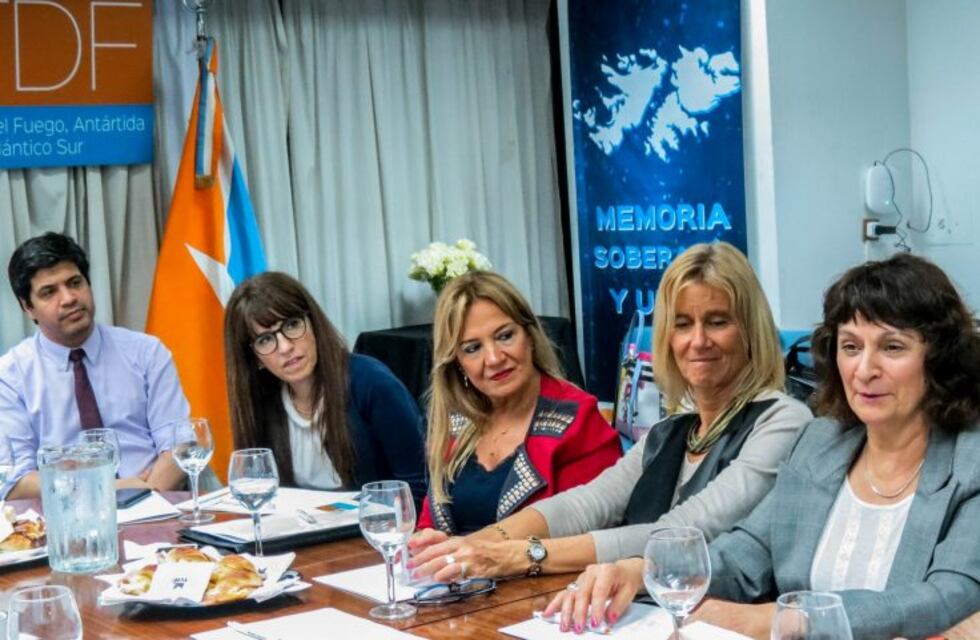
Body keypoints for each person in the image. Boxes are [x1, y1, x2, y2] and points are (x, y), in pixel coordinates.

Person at [547, 253, 980, 639]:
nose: (865, 369)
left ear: (939, 357)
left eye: (892, 347)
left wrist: (784, 620)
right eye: (851, 347)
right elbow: (745, 553)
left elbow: (948, 595)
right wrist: (643, 572)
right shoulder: (820, 442)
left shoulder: (970, 460)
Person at [409, 244, 811, 585]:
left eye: (717, 322)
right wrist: (483, 542)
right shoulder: (677, 424)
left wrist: (522, 555)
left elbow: (678, 534)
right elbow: (589, 503)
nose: (698, 341)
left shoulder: (783, 420)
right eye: (683, 324)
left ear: (750, 330)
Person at [414, 270, 622, 544]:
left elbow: (589, 536)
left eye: (504, 336)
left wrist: (480, 552)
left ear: (530, 336)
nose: (494, 358)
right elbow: (428, 524)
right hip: (455, 582)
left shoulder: (578, 419)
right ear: (457, 362)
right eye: (473, 348)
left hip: (547, 583)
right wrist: (426, 542)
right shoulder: (452, 423)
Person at [0, 232, 189, 499]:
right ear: (27, 307)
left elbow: (179, 447)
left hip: (154, 506)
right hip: (63, 522)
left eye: (75, 282)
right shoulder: (10, 376)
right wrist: (105, 491)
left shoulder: (147, 352)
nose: (68, 298)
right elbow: (15, 481)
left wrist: (142, 500)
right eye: (49, 292)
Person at [224, 271, 427, 508]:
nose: (286, 347)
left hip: (374, 533)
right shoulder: (260, 403)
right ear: (254, 357)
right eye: (266, 340)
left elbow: (418, 488)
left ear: (313, 323)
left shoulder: (371, 382)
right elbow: (261, 496)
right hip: (296, 536)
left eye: (292, 325)